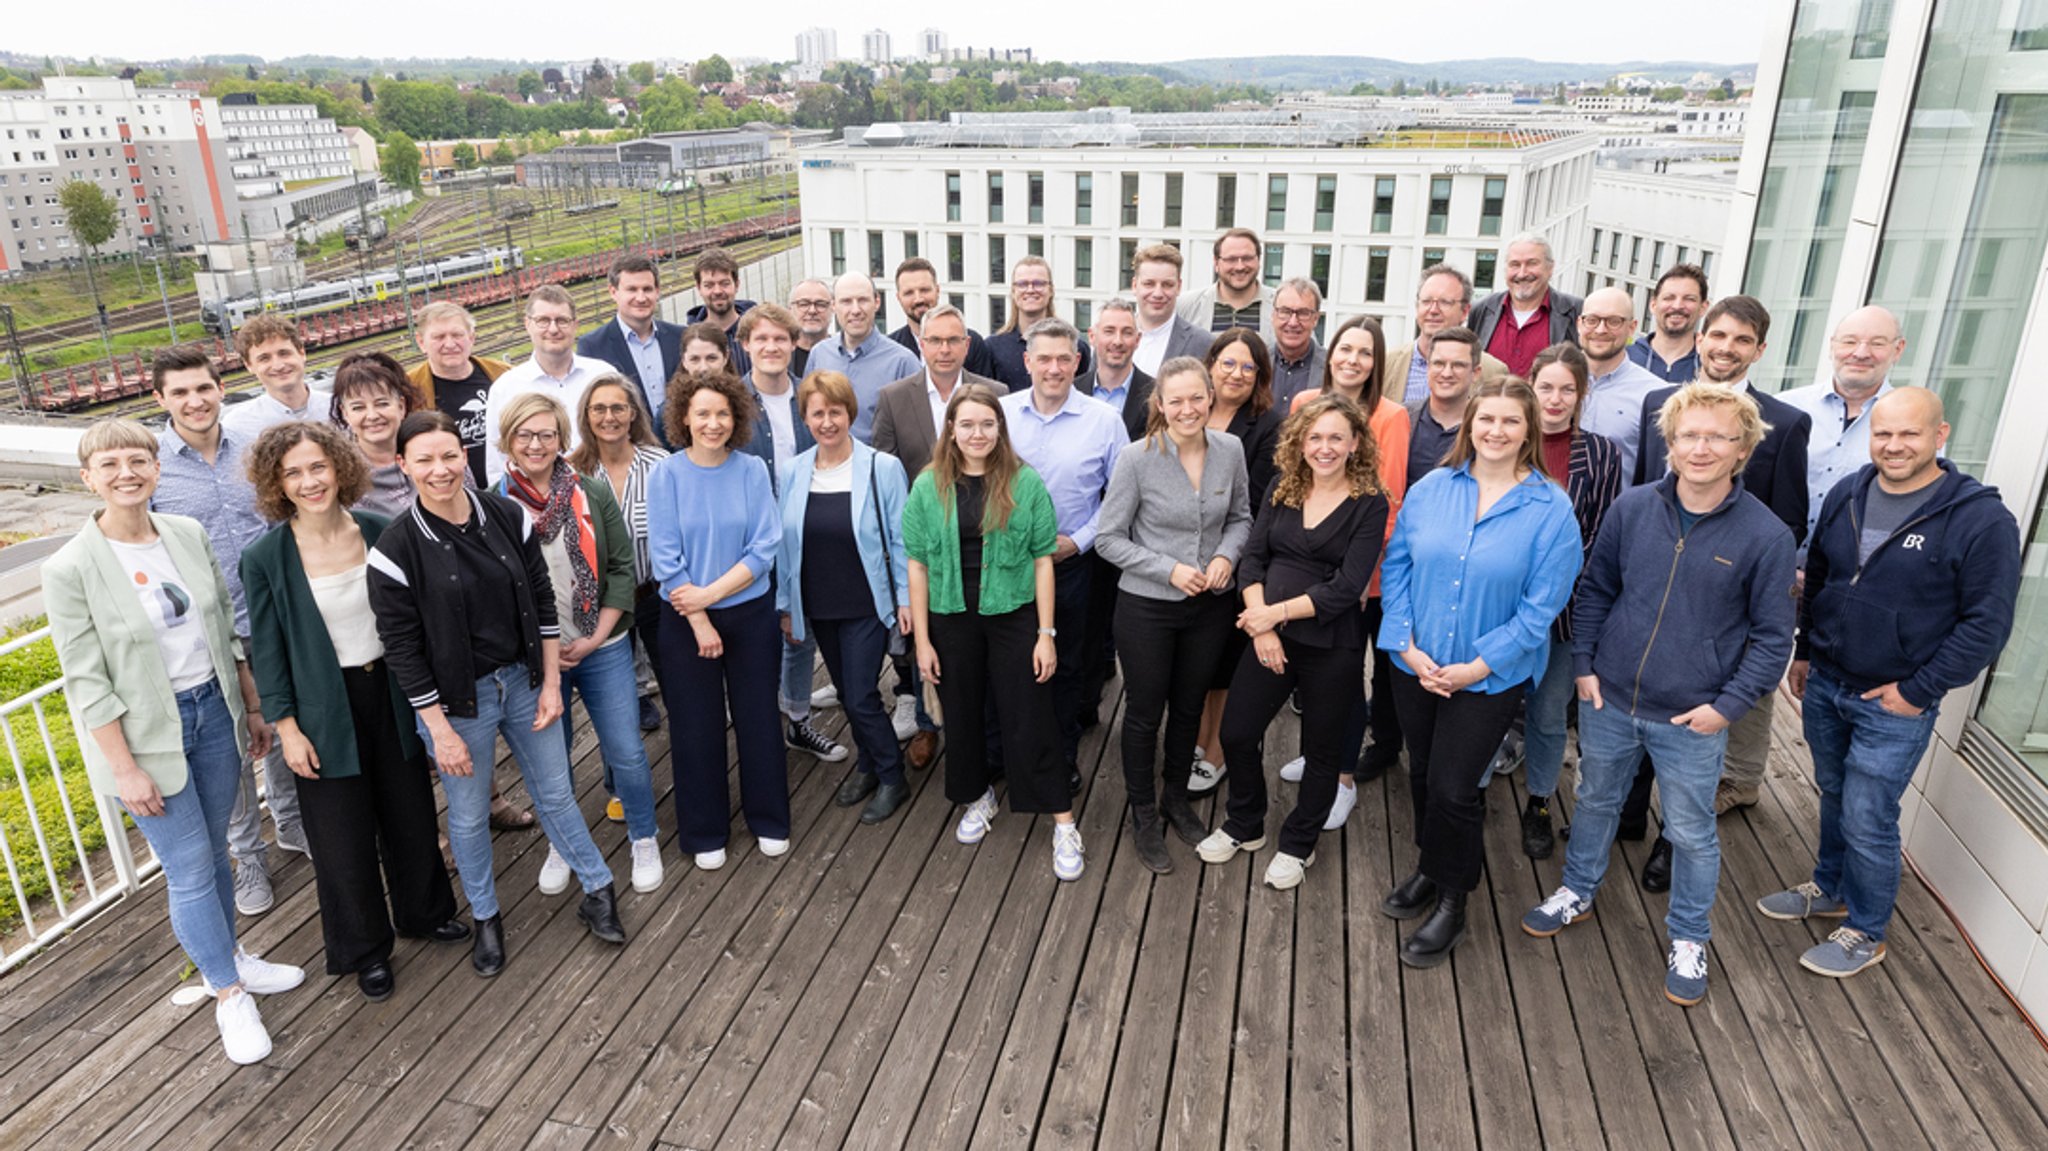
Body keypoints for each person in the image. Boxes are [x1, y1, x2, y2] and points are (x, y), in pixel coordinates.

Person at [1524, 383, 1796, 1008]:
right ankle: (1577, 890)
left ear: (1743, 449)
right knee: (1594, 800)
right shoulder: (1632, 508)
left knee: (1693, 831)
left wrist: (1726, 707)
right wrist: (1587, 663)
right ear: (1669, 443)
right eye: (1688, 436)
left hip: (1693, 716)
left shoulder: (1766, 536)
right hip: (1611, 698)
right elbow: (1594, 590)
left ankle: (1690, 937)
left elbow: (1772, 639)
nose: (1701, 448)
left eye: (1718, 437)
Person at [46, 417, 305, 1065]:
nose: (127, 473)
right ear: (88, 478)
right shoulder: (71, 567)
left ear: (157, 469)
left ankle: (234, 956)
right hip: (142, 739)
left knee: (217, 854)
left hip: (213, 714)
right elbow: (87, 680)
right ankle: (226, 993)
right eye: (110, 465)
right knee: (189, 866)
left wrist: (250, 705)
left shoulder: (185, 534)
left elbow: (223, 624)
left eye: (138, 460)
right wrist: (124, 767)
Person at [1759, 388, 2019, 979]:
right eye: (1884, 433)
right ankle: (1830, 888)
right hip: (1826, 680)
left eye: (1909, 434)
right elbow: (1820, 576)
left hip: (1893, 702)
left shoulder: (1979, 518)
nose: (1894, 446)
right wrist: (1804, 652)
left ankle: (1866, 931)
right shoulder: (1851, 491)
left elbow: (1987, 623)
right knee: (1833, 793)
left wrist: (1919, 690)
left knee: (1868, 815)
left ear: (1940, 435)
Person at [368, 410, 625, 978]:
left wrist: (553, 682)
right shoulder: (395, 549)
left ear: (465, 456)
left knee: (556, 794)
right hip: (458, 704)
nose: (441, 469)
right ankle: (486, 916)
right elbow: (402, 650)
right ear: (402, 466)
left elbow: (540, 602)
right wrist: (437, 730)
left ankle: (598, 889)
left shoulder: (507, 514)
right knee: (464, 816)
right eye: (425, 460)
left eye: (450, 456)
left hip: (526, 681)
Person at [240, 421, 466, 1003]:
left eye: (318, 466)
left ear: (340, 466)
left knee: (411, 812)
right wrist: (285, 727)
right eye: (293, 472)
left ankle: (423, 913)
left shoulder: (377, 529)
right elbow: (267, 650)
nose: (309, 481)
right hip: (321, 709)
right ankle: (364, 948)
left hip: (390, 692)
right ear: (276, 483)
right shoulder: (266, 556)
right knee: (341, 837)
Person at [1377, 377, 1581, 968]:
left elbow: (1542, 608)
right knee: (1421, 775)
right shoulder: (1432, 488)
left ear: (1530, 430)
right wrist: (1406, 645)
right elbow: (1398, 568)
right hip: (1415, 663)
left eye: (1510, 422)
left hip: (1489, 677)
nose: (1496, 431)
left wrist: (1474, 668)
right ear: (1470, 424)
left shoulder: (1550, 508)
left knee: (1454, 787)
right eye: (1485, 419)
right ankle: (1427, 867)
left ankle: (1453, 901)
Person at [1628, 296, 1811, 884]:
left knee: (1695, 735)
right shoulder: (1658, 401)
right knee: (1638, 703)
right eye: (1718, 336)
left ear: (1758, 350)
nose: (1726, 348)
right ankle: (1627, 815)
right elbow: (1639, 493)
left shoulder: (1784, 422)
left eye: (1741, 340)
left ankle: (1671, 841)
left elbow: (1789, 518)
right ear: (1700, 338)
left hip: (1719, 600)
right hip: (1652, 584)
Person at [1197, 394, 1390, 889]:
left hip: (1331, 644)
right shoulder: (1284, 487)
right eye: (1315, 437)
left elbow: (1347, 587)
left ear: (1354, 445)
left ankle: (1298, 842)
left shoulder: (1369, 502)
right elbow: (1254, 559)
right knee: (1238, 733)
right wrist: (1262, 629)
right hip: (1269, 638)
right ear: (1301, 442)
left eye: (1335, 438)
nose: (1324, 447)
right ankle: (1245, 823)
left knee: (1322, 751)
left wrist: (1270, 615)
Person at [904, 384, 1084, 880]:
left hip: (1013, 612)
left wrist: (1046, 633)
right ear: (952, 430)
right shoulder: (928, 486)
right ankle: (977, 794)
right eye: (967, 424)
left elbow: (1043, 559)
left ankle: (1063, 821)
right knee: (961, 712)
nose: (977, 433)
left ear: (1000, 428)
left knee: (1029, 712)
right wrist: (921, 640)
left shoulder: (1024, 483)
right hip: (950, 613)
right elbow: (916, 565)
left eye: (987, 423)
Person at [146, 345, 300, 917]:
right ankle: (247, 854)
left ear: (220, 388)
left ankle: (289, 821)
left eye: (203, 388)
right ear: (160, 399)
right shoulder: (156, 465)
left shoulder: (254, 450)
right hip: (208, 633)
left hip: (275, 616)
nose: (195, 401)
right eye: (180, 392)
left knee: (284, 725)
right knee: (230, 748)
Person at [494, 392, 664, 896]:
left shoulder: (592, 492)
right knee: (554, 759)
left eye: (547, 434)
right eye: (525, 434)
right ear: (508, 439)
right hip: (535, 658)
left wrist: (594, 637)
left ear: (562, 439)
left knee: (627, 750)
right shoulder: (492, 502)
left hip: (601, 644)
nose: (536, 444)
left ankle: (643, 836)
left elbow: (618, 568)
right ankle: (561, 843)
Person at [1095, 357, 1253, 872]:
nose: (1188, 409)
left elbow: (1241, 517)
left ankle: (1175, 797)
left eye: (1196, 398)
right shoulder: (1136, 459)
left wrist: (1228, 556)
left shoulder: (1229, 450)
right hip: (1147, 608)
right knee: (1144, 713)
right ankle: (1143, 812)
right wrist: (1169, 570)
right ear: (1160, 405)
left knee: (1189, 707)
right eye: (1176, 400)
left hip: (1208, 607)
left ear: (1211, 397)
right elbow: (1108, 539)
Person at [647, 371, 789, 871]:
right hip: (686, 621)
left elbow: (765, 545)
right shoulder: (665, 474)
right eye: (702, 413)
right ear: (684, 417)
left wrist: (711, 593)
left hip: (749, 614)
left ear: (737, 418)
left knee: (758, 718)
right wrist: (701, 616)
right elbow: (665, 556)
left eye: (723, 414)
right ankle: (705, 829)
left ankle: (769, 818)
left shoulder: (751, 471)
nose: (713, 423)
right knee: (695, 725)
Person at [1489, 344, 1623, 859]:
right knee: (1488, 707)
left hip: (1565, 614)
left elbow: (1600, 537)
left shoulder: (1603, 454)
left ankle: (1540, 800)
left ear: (1581, 394)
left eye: (1569, 388)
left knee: (1547, 716)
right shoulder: (1506, 443)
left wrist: (1549, 589)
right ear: (1530, 388)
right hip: (1499, 607)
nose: (1556, 398)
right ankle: (1473, 789)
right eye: (1546, 386)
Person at [1277, 316, 1412, 827]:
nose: (1352, 360)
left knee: (1348, 678)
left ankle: (1343, 778)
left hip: (1360, 577)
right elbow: (1292, 483)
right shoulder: (1302, 404)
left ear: (1377, 363)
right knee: (1312, 673)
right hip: (1307, 567)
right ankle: (1317, 755)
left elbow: (1390, 501)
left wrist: (1359, 576)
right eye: (1345, 349)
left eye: (1365, 352)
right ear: (1329, 353)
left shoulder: (1391, 416)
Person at [776, 370, 915, 826]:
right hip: (819, 604)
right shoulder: (794, 471)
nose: (828, 421)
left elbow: (901, 539)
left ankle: (893, 775)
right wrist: (786, 605)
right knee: (851, 695)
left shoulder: (881, 467)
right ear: (806, 418)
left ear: (849, 412)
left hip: (867, 605)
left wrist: (904, 599)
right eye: (818, 413)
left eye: (835, 411)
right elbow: (784, 546)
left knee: (858, 698)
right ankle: (868, 765)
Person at [1000, 318, 1130, 789]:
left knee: (1067, 664)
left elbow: (1119, 498)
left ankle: (1061, 756)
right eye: (1044, 358)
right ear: (1027, 361)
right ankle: (1013, 753)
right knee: (1012, 662)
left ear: (1078, 362)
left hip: (1072, 561)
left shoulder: (1104, 421)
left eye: (1063, 359)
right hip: (1007, 566)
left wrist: (1079, 540)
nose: (1053, 368)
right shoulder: (1001, 414)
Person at [871, 301, 1002, 767]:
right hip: (922, 542)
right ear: (920, 344)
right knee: (923, 640)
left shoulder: (996, 392)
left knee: (976, 645)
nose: (944, 349)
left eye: (954, 340)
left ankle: (984, 732)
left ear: (967, 345)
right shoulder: (894, 397)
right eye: (935, 340)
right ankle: (929, 725)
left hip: (980, 541)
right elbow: (883, 471)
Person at [737, 304, 845, 763]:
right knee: (754, 638)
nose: (771, 347)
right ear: (745, 346)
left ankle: (798, 722)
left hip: (805, 535)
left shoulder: (809, 397)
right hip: (748, 540)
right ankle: (758, 722)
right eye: (761, 339)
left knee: (800, 635)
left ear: (794, 343)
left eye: (780, 339)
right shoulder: (732, 403)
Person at [1190, 327, 1285, 792]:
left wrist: (1224, 552)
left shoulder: (1267, 425)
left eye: (1249, 367)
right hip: (1181, 563)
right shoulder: (1189, 408)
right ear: (1210, 365)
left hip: (1235, 559)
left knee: (1224, 661)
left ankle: (1216, 750)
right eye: (1228, 362)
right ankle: (1200, 737)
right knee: (1197, 663)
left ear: (1260, 377)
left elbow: (1257, 500)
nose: (1236, 373)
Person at [570, 377, 671, 740]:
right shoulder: (572, 472)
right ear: (586, 415)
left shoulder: (660, 464)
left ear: (633, 414)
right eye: (599, 408)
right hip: (603, 602)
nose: (608, 417)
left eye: (618, 408)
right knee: (617, 700)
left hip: (655, 594)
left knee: (676, 684)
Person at [1778, 305, 1908, 553]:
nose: (1861, 353)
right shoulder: (1785, 408)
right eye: (1850, 341)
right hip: (1774, 570)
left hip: (1848, 578)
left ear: (1898, 350)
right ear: (1832, 346)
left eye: (1877, 343)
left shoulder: (1912, 424)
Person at [483, 286, 610, 483]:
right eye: (543, 321)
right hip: (535, 506)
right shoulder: (505, 388)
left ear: (575, 324)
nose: (553, 329)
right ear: (528, 324)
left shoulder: (603, 375)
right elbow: (497, 466)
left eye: (562, 320)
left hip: (604, 495)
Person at [805, 271, 922, 443]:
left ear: (876, 302)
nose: (855, 310)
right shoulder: (819, 355)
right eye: (846, 301)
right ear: (834, 305)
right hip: (826, 465)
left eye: (862, 300)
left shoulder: (902, 362)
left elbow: (916, 433)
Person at [577, 253, 684, 438]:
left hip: (681, 448)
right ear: (613, 292)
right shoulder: (592, 347)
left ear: (657, 291)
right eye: (632, 289)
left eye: (647, 289)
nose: (641, 298)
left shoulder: (681, 337)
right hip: (629, 453)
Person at [409, 301, 511, 488]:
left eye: (457, 335)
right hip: (449, 495)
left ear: (471, 338)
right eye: (439, 337)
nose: (450, 344)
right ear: (421, 342)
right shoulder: (409, 390)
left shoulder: (504, 376)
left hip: (508, 489)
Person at [1574, 287, 1667, 483]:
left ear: (1632, 327)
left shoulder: (1655, 395)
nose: (1600, 330)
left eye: (1613, 321)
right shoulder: (1551, 383)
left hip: (1615, 512)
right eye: (1592, 320)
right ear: (1579, 324)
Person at [1384, 265, 1509, 406]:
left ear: (1465, 311)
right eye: (1426, 301)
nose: (1433, 310)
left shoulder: (1492, 372)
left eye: (1445, 302)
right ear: (1417, 306)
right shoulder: (1386, 364)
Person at [1469, 233, 1584, 376]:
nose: (1522, 273)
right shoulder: (1481, 310)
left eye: (1532, 263)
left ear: (1550, 268)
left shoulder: (1576, 311)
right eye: (1515, 265)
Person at [330, 351, 424, 519]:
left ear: (401, 406)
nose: (372, 416)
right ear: (345, 413)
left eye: (382, 404)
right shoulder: (339, 476)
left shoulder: (433, 451)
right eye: (358, 407)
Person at [986, 256, 1092, 391]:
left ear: (1051, 290)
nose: (1030, 290)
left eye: (1038, 283)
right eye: (1022, 284)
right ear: (1013, 291)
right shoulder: (992, 347)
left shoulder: (1076, 347)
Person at [221, 315, 332, 442]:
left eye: (284, 353)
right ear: (249, 365)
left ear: (302, 353)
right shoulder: (237, 427)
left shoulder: (338, 408)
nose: (278, 366)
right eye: (264, 358)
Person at [886, 257, 1000, 377]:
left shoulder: (972, 343)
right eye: (909, 293)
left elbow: (984, 392)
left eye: (924, 290)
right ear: (898, 298)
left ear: (938, 290)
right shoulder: (890, 350)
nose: (918, 299)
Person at [1130, 244, 1221, 377]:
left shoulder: (1203, 343)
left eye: (1167, 285)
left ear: (1178, 287)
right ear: (1134, 285)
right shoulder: (1109, 336)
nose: (1158, 293)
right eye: (1149, 284)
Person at [1177, 227, 1275, 338]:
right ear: (1216, 262)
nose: (1240, 267)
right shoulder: (1185, 306)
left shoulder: (1279, 306)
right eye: (1231, 259)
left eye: (1247, 258)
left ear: (1258, 260)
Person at [1075, 297, 1152, 437]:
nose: (1118, 341)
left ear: (1138, 340)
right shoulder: (1072, 391)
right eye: (1109, 331)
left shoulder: (1156, 393)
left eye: (1127, 332)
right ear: (1092, 337)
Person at [1627, 263, 1707, 383]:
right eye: (1669, 298)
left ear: (1703, 308)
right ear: (1653, 305)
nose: (1677, 306)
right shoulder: (1625, 359)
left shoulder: (1709, 367)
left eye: (1689, 299)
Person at [685, 246, 757, 375]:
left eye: (724, 283)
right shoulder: (687, 339)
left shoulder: (756, 330)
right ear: (698, 287)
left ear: (737, 285)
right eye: (709, 285)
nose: (717, 291)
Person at [1267, 279, 1328, 410]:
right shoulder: (1257, 361)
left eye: (1303, 313)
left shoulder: (1331, 368)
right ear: (1273, 315)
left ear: (1316, 319)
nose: (1293, 322)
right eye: (1285, 312)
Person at [788, 277, 834, 378]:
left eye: (821, 304)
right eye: (804, 304)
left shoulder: (843, 356)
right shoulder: (780, 356)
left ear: (832, 309)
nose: (812, 311)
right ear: (790, 309)